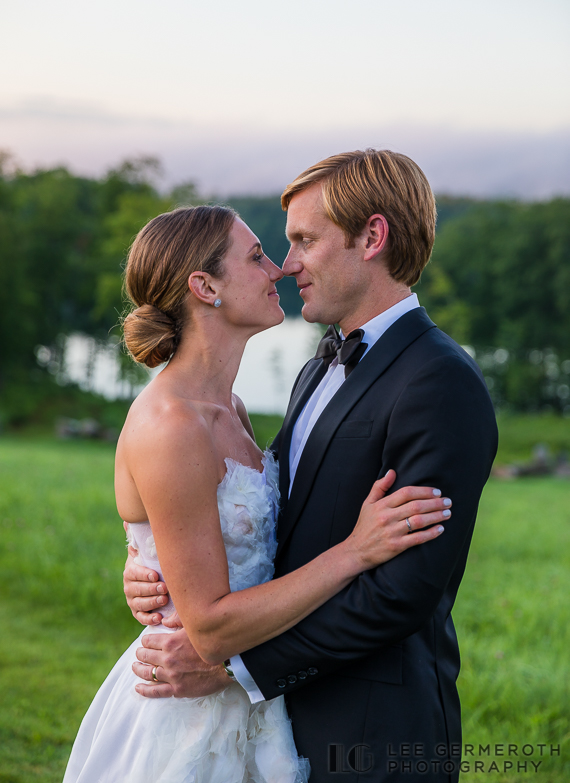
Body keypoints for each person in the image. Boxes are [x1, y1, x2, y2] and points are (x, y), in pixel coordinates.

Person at [125, 150, 498, 782]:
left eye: (303, 241)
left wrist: (232, 668)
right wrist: (153, 566)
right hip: (281, 722)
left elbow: (401, 594)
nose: (287, 262)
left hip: (373, 732)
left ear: (372, 238)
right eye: (279, 246)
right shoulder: (317, 366)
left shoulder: (440, 382)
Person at [63, 203, 451, 783]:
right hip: (187, 715)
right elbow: (210, 627)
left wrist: (148, 559)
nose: (278, 269)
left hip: (258, 707)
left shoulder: (233, 410)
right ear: (205, 287)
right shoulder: (172, 425)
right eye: (256, 257)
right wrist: (355, 552)